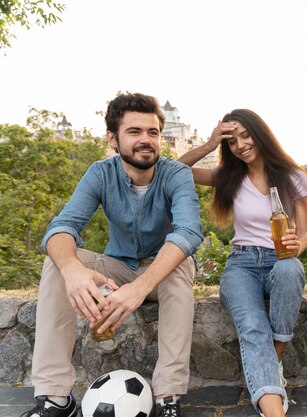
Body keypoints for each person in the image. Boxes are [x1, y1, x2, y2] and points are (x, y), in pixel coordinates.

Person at [23, 93, 203, 417]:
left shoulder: (176, 174)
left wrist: (139, 287)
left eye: (153, 132)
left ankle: (168, 398)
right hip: (116, 268)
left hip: (160, 272)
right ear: (113, 138)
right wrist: (73, 270)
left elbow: (188, 232)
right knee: (56, 263)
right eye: (134, 132)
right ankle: (54, 399)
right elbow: (62, 226)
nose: (145, 140)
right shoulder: (100, 173)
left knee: (181, 265)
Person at [178, 109, 307, 417]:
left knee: (291, 268)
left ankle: (272, 364)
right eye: (232, 140)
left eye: (245, 135)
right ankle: (273, 407)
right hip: (242, 265)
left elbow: (304, 234)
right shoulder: (228, 176)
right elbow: (172, 168)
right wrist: (210, 144)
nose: (240, 145)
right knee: (253, 327)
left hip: (281, 259)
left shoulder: (293, 176)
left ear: (259, 132)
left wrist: (297, 245)